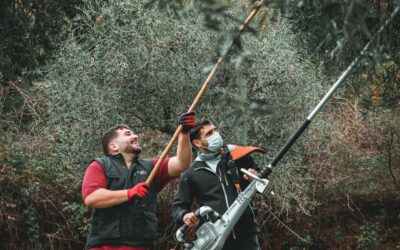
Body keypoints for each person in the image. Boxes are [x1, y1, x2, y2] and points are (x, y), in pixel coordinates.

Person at [82, 112, 195, 250]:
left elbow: (182, 164)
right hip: (105, 246)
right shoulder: (100, 165)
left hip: (143, 246)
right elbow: (92, 198)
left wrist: (184, 134)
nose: (136, 136)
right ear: (114, 146)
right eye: (128, 134)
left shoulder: (152, 166)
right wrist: (129, 193)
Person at [171, 120, 267, 250]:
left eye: (215, 130)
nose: (216, 134)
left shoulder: (237, 155)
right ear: (197, 143)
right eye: (209, 133)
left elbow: (262, 178)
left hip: (247, 233)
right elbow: (178, 208)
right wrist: (185, 215)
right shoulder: (191, 174)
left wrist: (253, 176)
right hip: (216, 239)